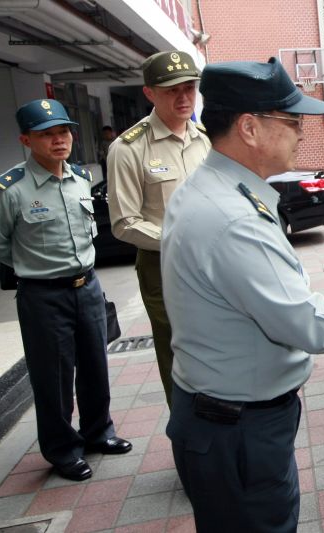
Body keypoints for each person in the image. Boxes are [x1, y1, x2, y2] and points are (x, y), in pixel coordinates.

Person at [161, 58, 324, 533]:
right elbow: (308, 324)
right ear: (248, 127)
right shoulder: (233, 218)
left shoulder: (215, 191)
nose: (301, 132)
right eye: (292, 121)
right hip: (237, 429)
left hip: (221, 416)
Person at [0, 99, 132, 482]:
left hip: (88, 287)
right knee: (54, 377)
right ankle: (63, 449)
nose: (58, 140)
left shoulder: (80, 177)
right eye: (45, 134)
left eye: (63, 132)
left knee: (96, 366)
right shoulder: (8, 190)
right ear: (25, 140)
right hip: (43, 295)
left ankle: (99, 432)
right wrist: (33, 266)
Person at [107, 50, 211, 406]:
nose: (183, 97)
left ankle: (218, 434)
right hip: (164, 266)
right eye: (172, 90)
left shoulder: (205, 139)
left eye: (190, 87)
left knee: (214, 344)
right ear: (149, 93)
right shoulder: (128, 148)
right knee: (176, 352)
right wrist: (178, 240)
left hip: (212, 260)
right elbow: (124, 223)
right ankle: (188, 437)